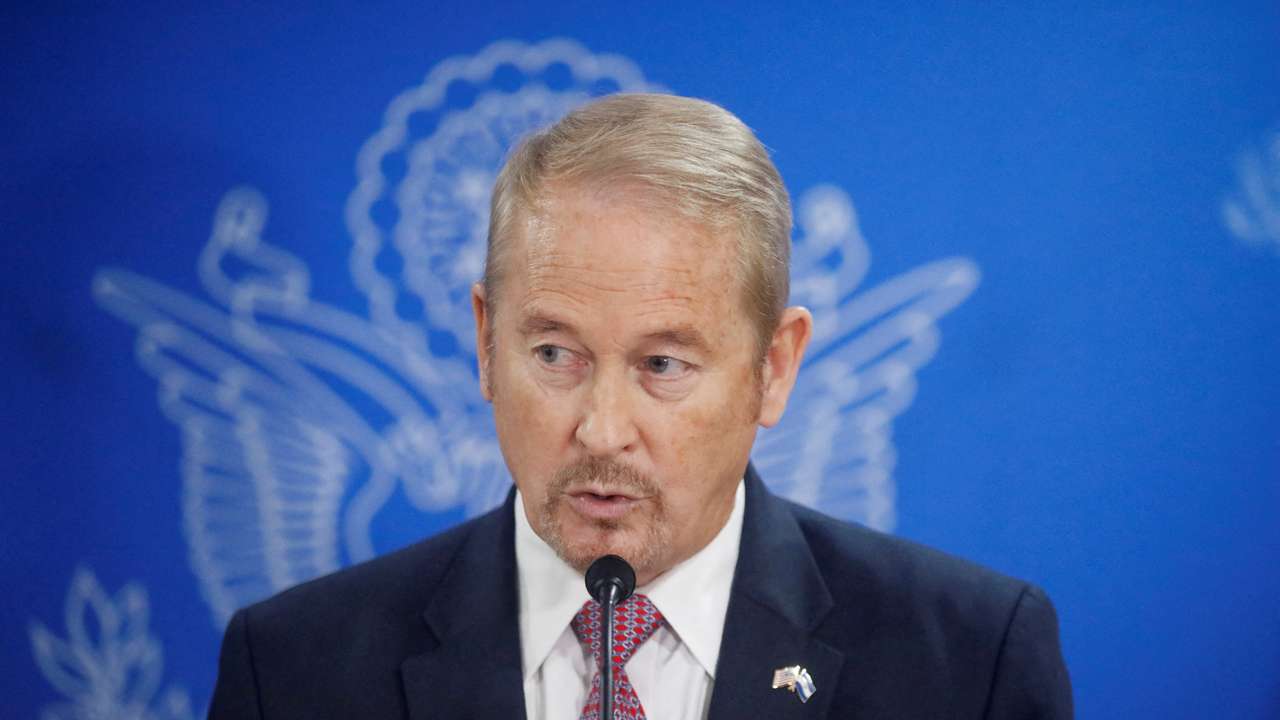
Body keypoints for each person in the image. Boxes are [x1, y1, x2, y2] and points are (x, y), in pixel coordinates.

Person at [209, 93, 1072, 719]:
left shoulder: (967, 663)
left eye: (662, 364)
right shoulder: (291, 670)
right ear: (484, 342)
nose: (602, 431)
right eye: (554, 355)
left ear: (774, 368)